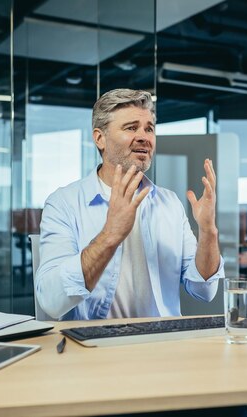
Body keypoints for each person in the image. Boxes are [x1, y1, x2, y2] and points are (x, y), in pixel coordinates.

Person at [35, 88, 224, 320]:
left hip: (164, 342)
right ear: (99, 138)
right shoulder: (64, 203)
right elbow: (52, 301)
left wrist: (208, 231)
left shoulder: (170, 203)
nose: (144, 136)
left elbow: (204, 290)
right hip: (95, 347)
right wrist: (110, 235)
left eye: (149, 128)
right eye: (131, 127)